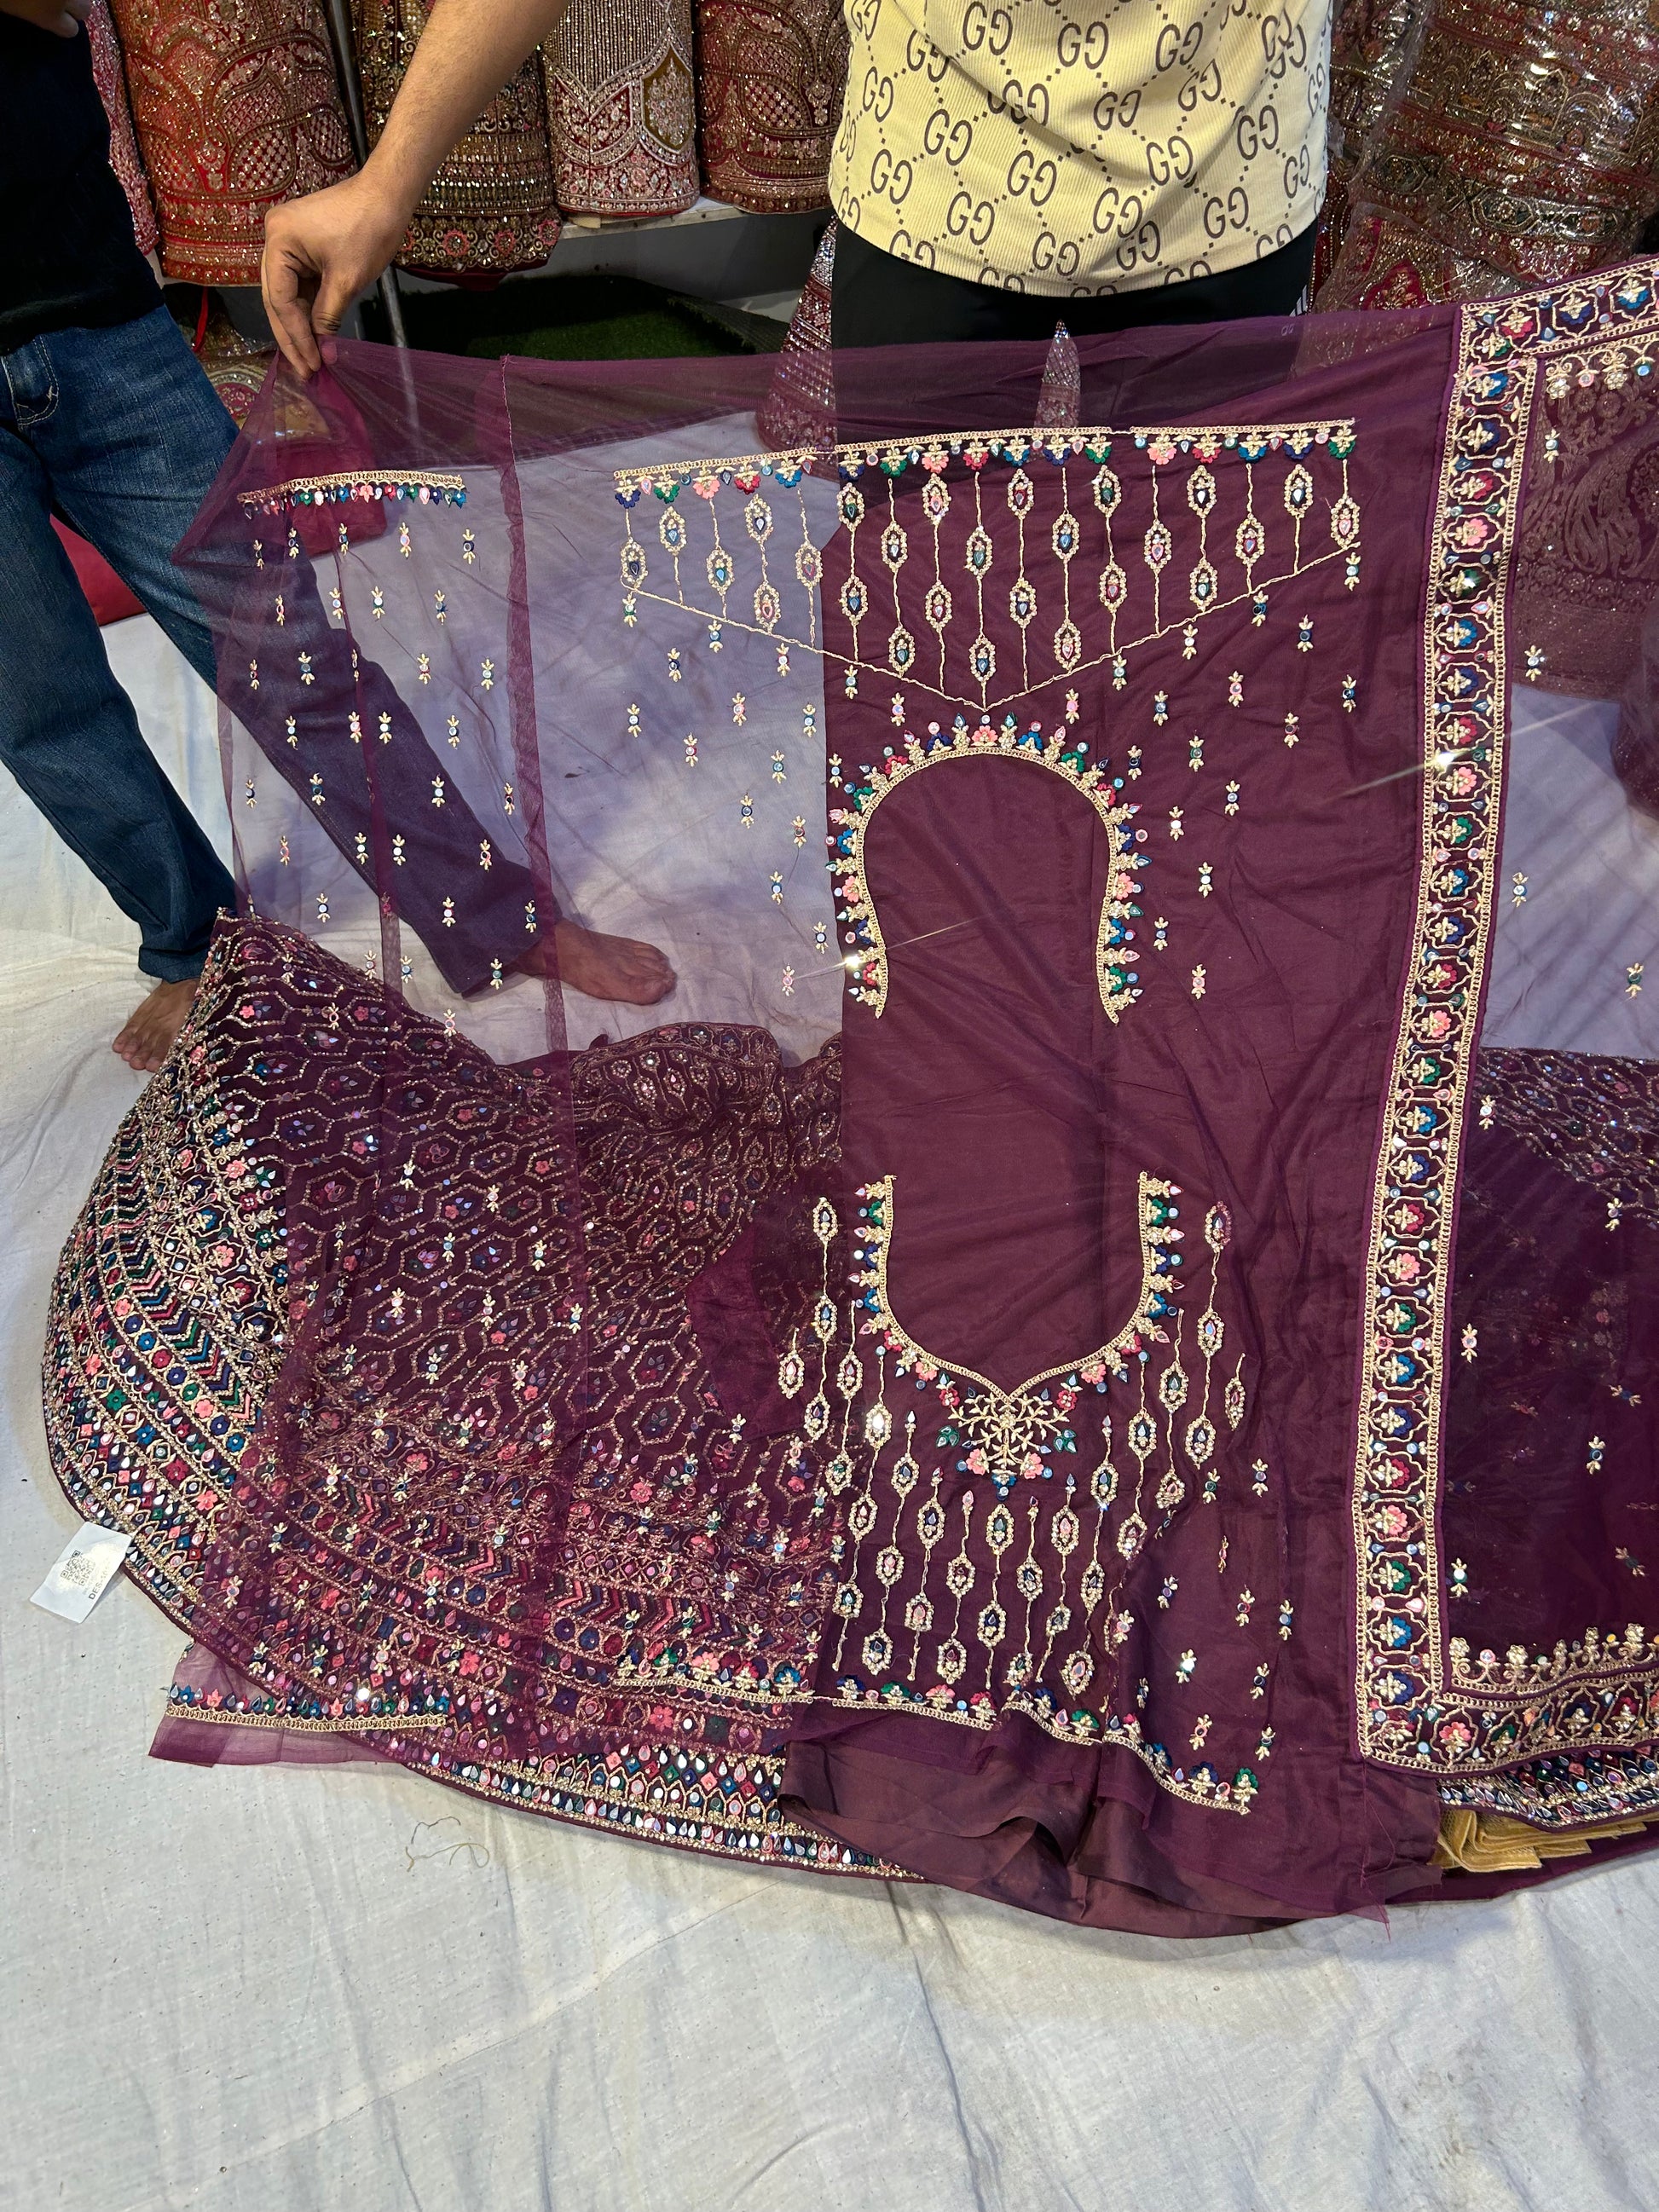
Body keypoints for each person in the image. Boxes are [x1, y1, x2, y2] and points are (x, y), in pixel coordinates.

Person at [261, 0, 1332, 373]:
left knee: (1186, 600)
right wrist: (388, 180)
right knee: (918, 618)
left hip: (1219, 191)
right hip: (938, 188)